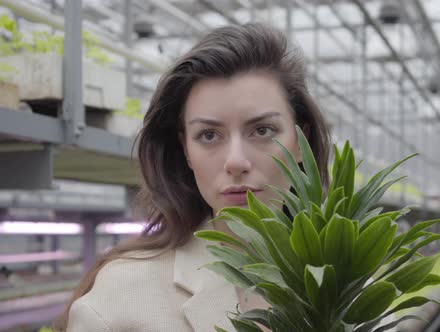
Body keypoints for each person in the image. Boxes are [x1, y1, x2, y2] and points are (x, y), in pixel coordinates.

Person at [54, 23, 331, 332]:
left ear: (300, 143)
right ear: (185, 149)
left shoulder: (350, 283)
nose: (236, 161)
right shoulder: (118, 299)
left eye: (262, 130)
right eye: (209, 135)